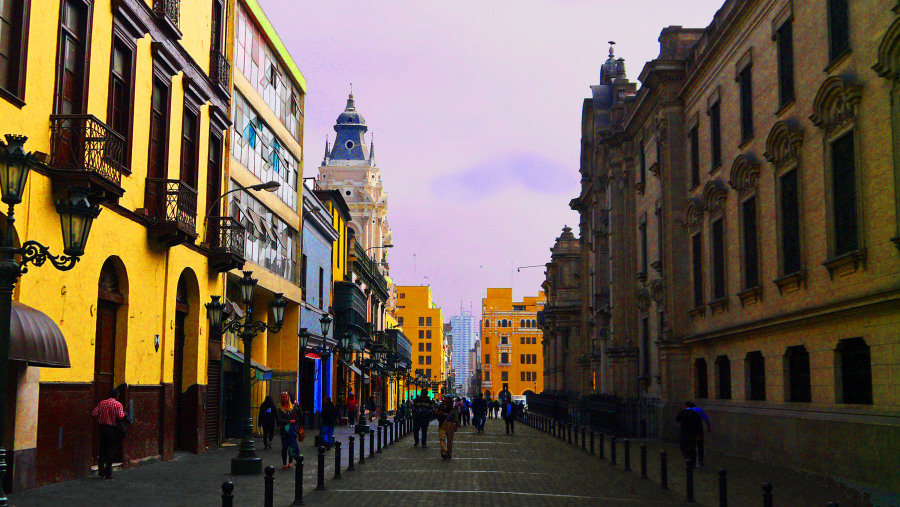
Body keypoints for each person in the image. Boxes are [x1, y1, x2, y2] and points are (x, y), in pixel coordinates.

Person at [92, 389, 126, 479]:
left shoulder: (101, 403)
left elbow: (94, 413)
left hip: (102, 429)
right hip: (113, 430)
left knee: (102, 449)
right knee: (111, 450)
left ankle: (101, 470)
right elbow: (120, 416)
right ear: (117, 396)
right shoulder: (118, 404)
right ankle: (108, 472)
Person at [276, 391, 303, 469]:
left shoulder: (292, 407)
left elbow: (301, 414)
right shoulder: (280, 409)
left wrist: (298, 406)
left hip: (291, 428)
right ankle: (284, 463)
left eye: (286, 397)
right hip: (284, 428)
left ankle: (290, 462)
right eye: (283, 397)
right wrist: (288, 421)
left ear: (288, 398)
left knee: (291, 444)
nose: (285, 399)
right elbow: (279, 420)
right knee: (284, 446)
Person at [675, 401, 704, 466]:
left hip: (684, 432)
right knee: (692, 447)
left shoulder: (683, 412)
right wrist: (699, 433)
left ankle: (687, 457)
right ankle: (693, 461)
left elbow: (677, 419)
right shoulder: (695, 414)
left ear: (686, 406)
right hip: (693, 433)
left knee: (683, 445)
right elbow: (699, 424)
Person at [689, 402, 711, 467]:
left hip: (691, 430)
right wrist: (708, 427)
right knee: (700, 445)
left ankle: (692, 461)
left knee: (692, 445)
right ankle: (700, 461)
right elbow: (706, 419)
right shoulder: (699, 410)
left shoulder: (688, 411)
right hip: (699, 430)